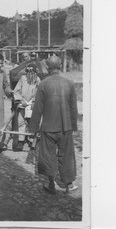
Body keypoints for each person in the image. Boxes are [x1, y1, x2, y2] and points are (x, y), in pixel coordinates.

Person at [28, 55, 78, 194]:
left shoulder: (43, 84)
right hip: (65, 126)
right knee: (66, 156)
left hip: (48, 127)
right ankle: (68, 186)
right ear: (60, 66)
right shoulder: (69, 83)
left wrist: (33, 128)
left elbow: (37, 107)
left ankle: (51, 185)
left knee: (48, 156)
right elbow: (73, 108)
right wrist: (73, 126)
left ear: (48, 68)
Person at [12, 63, 41, 151]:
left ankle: (31, 140)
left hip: (32, 104)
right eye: (28, 71)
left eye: (32, 71)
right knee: (21, 122)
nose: (30, 73)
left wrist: (34, 101)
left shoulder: (38, 80)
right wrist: (21, 100)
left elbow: (40, 93)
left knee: (32, 122)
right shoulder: (23, 79)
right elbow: (16, 91)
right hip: (23, 103)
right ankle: (21, 141)